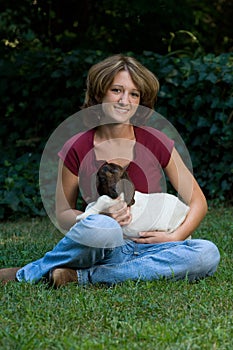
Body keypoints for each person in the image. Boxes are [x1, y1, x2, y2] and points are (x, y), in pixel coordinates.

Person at [0, 54, 220, 287]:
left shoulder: (156, 141)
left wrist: (176, 236)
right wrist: (99, 217)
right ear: (99, 93)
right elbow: (63, 213)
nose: (125, 100)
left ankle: (79, 276)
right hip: (104, 245)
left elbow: (198, 202)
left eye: (134, 94)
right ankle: (32, 272)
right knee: (103, 229)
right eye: (117, 90)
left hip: (154, 247)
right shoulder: (77, 146)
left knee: (207, 253)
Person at [76, 162, 191, 238]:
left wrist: (175, 237)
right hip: (146, 246)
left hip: (170, 238)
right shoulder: (102, 205)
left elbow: (80, 223)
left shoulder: (101, 204)